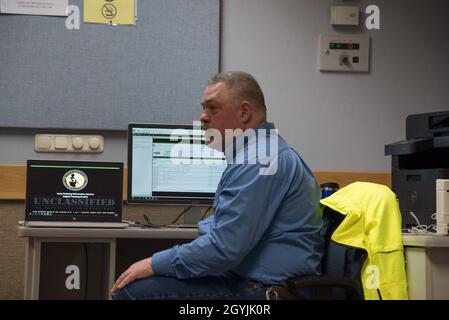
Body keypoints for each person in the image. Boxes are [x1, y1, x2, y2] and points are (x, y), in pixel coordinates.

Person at [112, 71, 323, 300]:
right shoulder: (260, 153)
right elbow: (224, 235)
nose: (203, 117)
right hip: (253, 282)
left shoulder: (259, 161)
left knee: (132, 293)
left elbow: (224, 249)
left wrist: (153, 263)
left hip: (265, 292)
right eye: (203, 108)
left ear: (244, 112)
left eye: (212, 108)